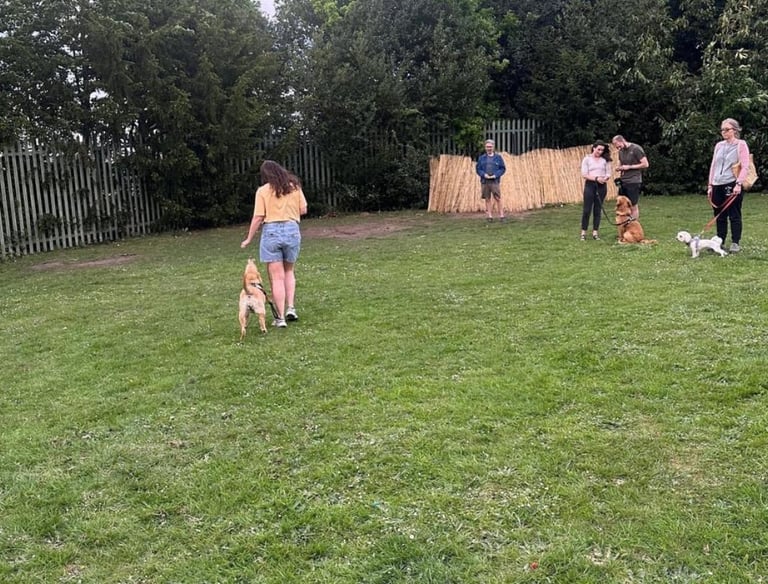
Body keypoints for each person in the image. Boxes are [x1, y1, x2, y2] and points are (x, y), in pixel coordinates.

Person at [241, 160, 308, 328]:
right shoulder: (294, 187)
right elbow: (303, 209)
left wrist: (249, 238)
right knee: (289, 271)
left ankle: (280, 318)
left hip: (271, 232)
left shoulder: (263, 191)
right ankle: (291, 308)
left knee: (276, 278)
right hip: (292, 229)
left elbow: (258, 217)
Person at [707, 118, 751, 253]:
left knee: (734, 214)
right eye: (722, 130)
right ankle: (720, 241)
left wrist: (738, 184)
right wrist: (710, 185)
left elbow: (745, 166)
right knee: (719, 215)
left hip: (732, 183)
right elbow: (714, 165)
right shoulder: (719, 146)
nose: (724, 132)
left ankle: (735, 242)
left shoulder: (741, 145)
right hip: (717, 184)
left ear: (735, 130)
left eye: (727, 129)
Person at [580, 141, 612, 240]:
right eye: (598, 149)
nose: (600, 151)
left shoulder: (605, 160)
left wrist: (605, 178)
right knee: (587, 210)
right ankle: (583, 232)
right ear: (593, 148)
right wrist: (596, 178)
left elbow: (608, 173)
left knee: (597, 210)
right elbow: (584, 174)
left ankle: (595, 232)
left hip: (601, 186)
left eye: (602, 150)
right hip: (590, 185)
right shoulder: (587, 159)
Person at [611, 135, 649, 220]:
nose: (618, 148)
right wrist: (619, 167)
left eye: (619, 146)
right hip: (623, 181)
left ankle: (634, 224)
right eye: (617, 147)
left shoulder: (636, 149)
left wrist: (629, 167)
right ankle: (624, 225)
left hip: (633, 181)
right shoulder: (621, 151)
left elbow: (646, 164)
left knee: (632, 205)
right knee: (621, 203)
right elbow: (621, 163)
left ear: (622, 140)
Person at [475, 139, 506, 222]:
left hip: (495, 181)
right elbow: (478, 169)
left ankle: (502, 216)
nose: (489, 148)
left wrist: (495, 175)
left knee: (498, 198)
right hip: (485, 182)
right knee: (487, 198)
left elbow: (502, 169)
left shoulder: (498, 158)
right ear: (485, 147)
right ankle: (490, 216)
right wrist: (483, 174)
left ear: (493, 147)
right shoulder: (481, 158)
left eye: (490, 146)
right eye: (487, 146)